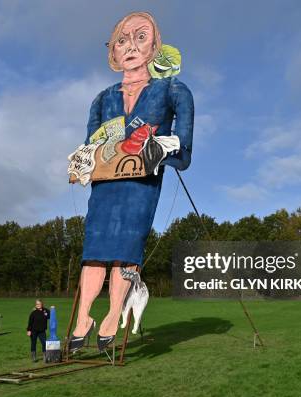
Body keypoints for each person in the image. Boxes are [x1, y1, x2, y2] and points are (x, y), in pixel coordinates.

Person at [68, 11, 194, 352]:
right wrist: (83, 162)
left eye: (141, 37)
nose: (131, 46)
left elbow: (183, 148)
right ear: (112, 51)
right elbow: (90, 145)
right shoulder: (102, 98)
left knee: (126, 249)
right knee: (94, 251)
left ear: (155, 46)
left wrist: (162, 148)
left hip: (140, 183)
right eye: (122, 39)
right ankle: (83, 317)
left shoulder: (173, 90)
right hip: (106, 185)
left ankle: (112, 314)